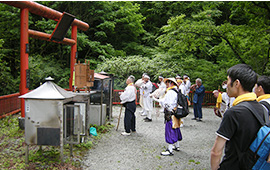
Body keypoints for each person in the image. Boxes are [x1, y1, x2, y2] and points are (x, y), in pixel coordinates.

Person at [210, 64, 266, 170]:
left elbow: (216, 151)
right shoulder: (262, 108)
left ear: (236, 83)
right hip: (253, 165)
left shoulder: (233, 113)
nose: (226, 86)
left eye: (227, 81)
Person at [153, 78, 182, 156]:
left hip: (170, 113)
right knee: (176, 128)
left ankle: (170, 150)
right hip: (176, 112)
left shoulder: (170, 92)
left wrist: (158, 101)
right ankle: (177, 146)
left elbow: (167, 103)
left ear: (171, 83)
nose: (166, 84)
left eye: (167, 83)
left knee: (170, 130)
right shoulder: (176, 91)